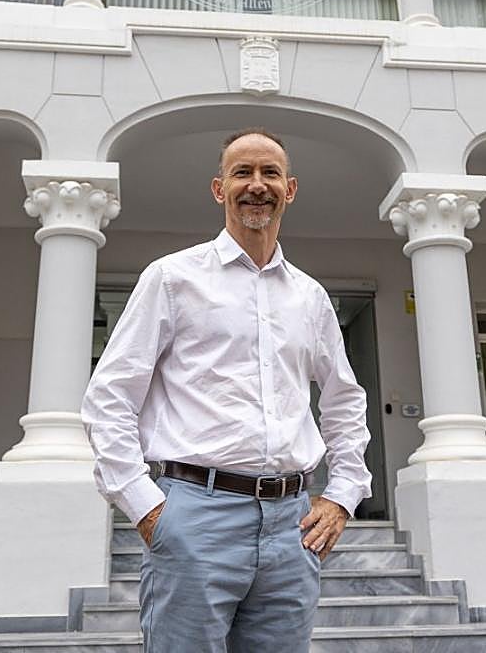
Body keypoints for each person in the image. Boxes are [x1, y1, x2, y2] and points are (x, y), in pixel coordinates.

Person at [81, 128, 372, 652]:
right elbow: (110, 396)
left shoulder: (310, 298)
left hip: (292, 526)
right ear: (220, 190)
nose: (256, 185)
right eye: (242, 173)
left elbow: (344, 400)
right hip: (195, 514)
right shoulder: (172, 279)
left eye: (269, 173)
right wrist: (147, 508)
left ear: (291, 189)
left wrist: (343, 496)